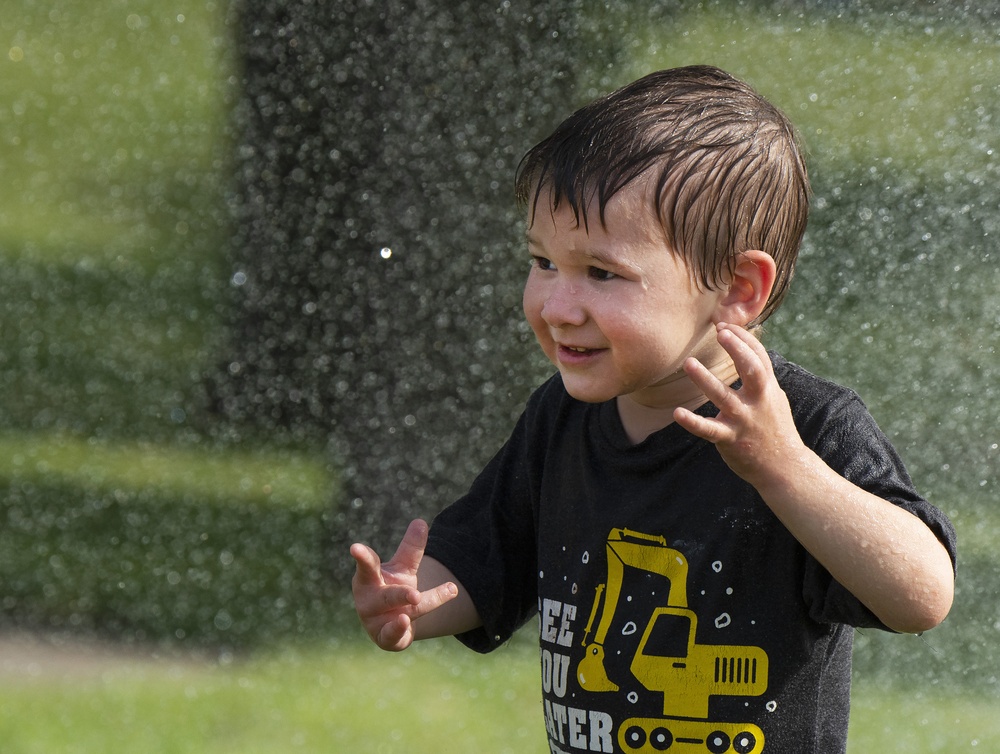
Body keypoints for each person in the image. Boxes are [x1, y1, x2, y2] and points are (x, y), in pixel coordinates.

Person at [349, 65, 956, 753]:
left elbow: (923, 594)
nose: (556, 305)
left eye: (602, 273)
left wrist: (784, 469)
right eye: (543, 262)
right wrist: (413, 598)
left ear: (737, 288)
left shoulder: (806, 430)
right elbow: (488, 557)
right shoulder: (561, 422)